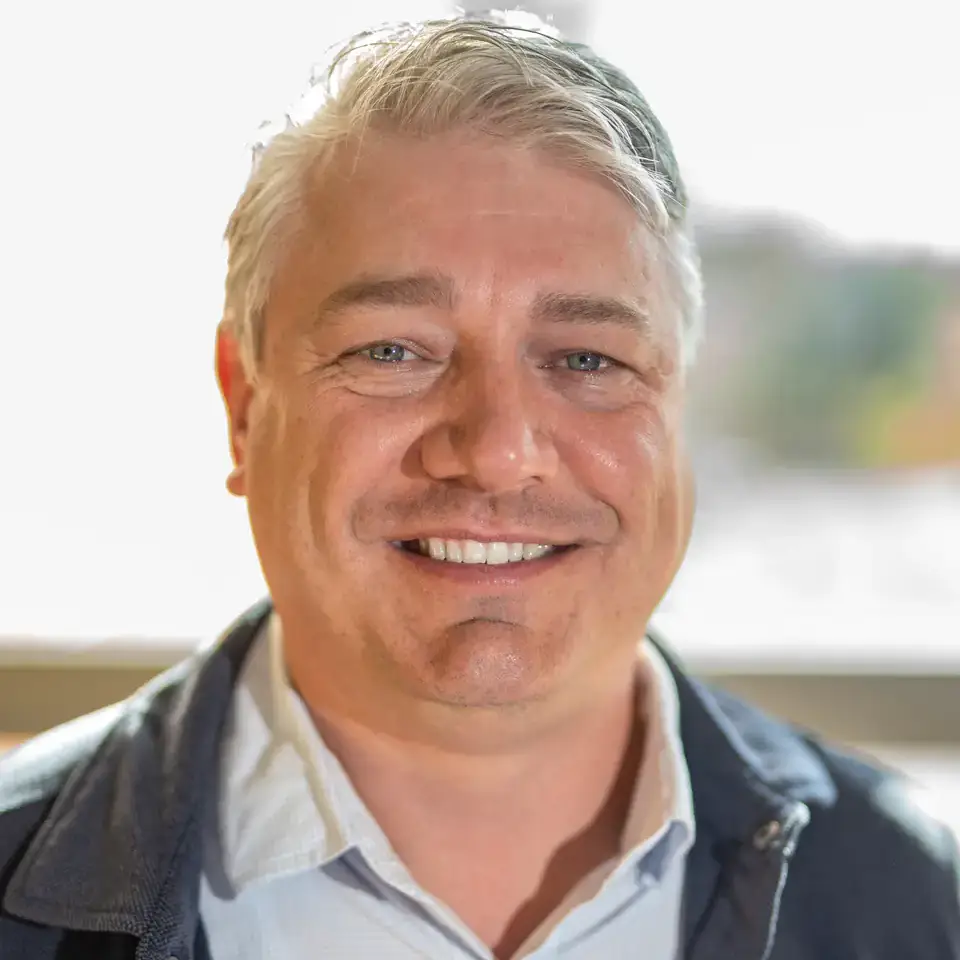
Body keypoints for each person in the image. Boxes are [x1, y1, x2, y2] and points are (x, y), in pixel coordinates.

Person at [1, 13, 957, 960]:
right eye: (391, 350)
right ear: (244, 406)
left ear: (677, 415)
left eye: (587, 358)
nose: (498, 451)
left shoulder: (915, 899)